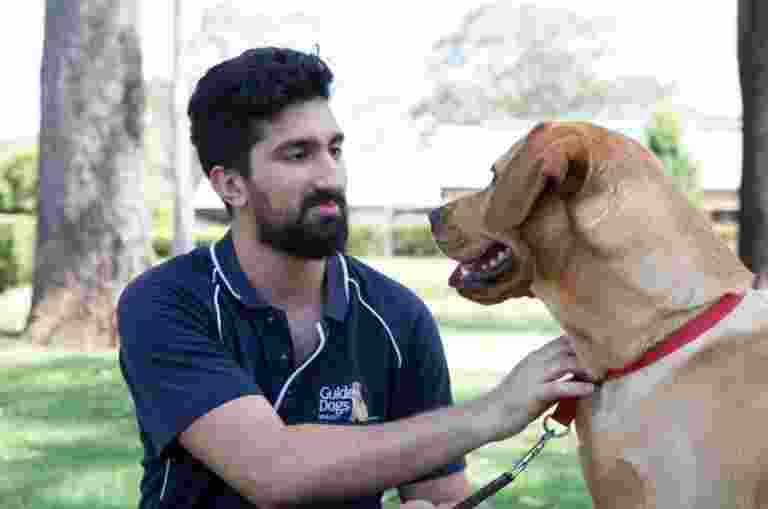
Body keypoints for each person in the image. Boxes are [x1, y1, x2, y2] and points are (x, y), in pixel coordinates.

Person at [117, 46, 595, 509]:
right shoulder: (167, 302)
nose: (330, 176)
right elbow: (271, 470)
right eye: (297, 155)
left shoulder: (397, 316)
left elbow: (440, 494)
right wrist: (495, 411)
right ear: (231, 184)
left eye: (334, 149)